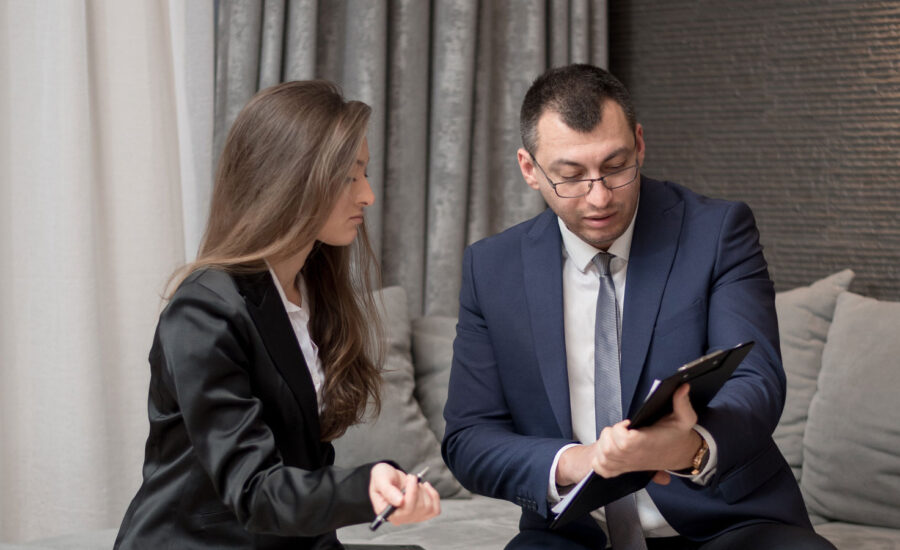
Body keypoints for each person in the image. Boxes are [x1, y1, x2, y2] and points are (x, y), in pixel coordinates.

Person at [442, 64, 835, 550]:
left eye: (616, 167)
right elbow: (469, 437)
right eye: (570, 176)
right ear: (530, 169)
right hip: (574, 536)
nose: (599, 196)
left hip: (729, 524)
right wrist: (583, 461)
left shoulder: (716, 232)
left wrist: (689, 447)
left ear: (640, 143)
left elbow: (756, 380)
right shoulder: (491, 267)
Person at [114, 80, 440, 549]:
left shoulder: (311, 288)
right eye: (350, 177)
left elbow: (302, 464)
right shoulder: (204, 312)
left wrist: (381, 487)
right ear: (291, 179)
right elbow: (253, 492)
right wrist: (364, 487)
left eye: (363, 174)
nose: (367, 195)